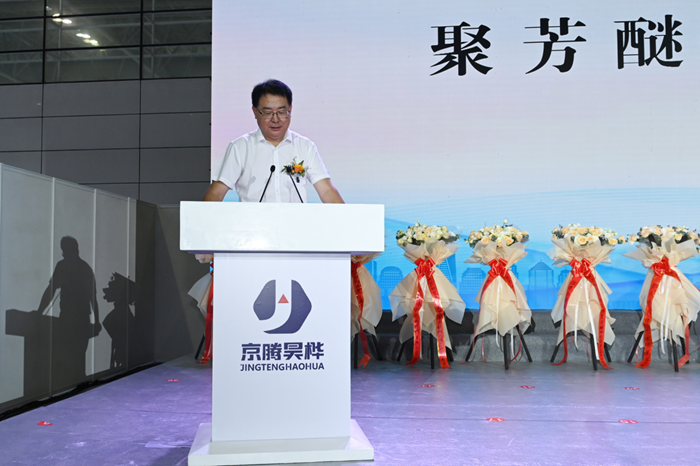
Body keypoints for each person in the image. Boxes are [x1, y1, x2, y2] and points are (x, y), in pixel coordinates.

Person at [203, 79, 344, 204]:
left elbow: (326, 190)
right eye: (268, 113)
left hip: (295, 223)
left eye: (282, 112)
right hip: (253, 224)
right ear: (255, 112)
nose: (275, 119)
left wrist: (348, 220)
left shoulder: (305, 146)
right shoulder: (240, 147)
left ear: (290, 110)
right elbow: (216, 193)